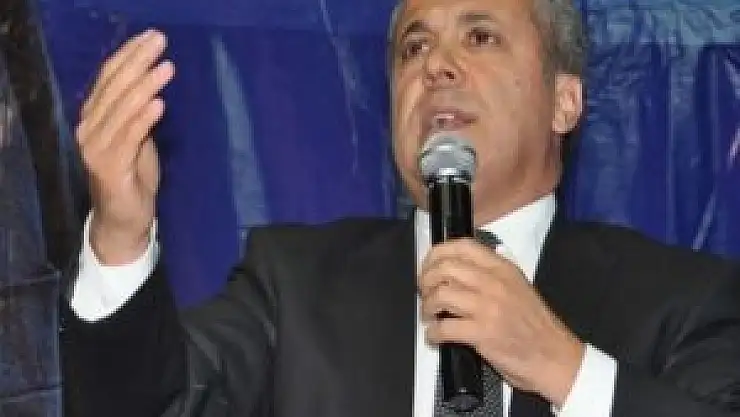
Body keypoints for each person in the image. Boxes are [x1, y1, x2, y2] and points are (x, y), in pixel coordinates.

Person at [60, 0, 740, 416]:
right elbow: (147, 407)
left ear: (565, 101)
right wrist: (120, 236)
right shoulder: (293, 285)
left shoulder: (682, 301)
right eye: (415, 46)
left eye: (480, 37)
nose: (436, 66)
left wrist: (565, 368)